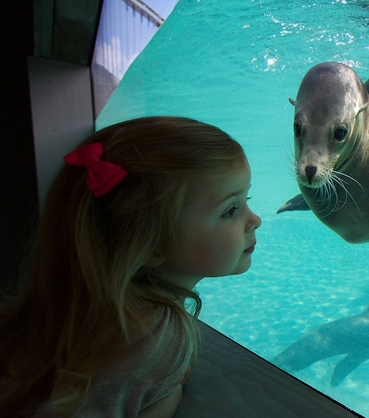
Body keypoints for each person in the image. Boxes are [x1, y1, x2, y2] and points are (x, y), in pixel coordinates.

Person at [0, 116, 262, 417]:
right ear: (150, 244)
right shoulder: (154, 334)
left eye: (247, 199)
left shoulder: (71, 308)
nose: (255, 219)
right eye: (230, 210)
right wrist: (168, 394)